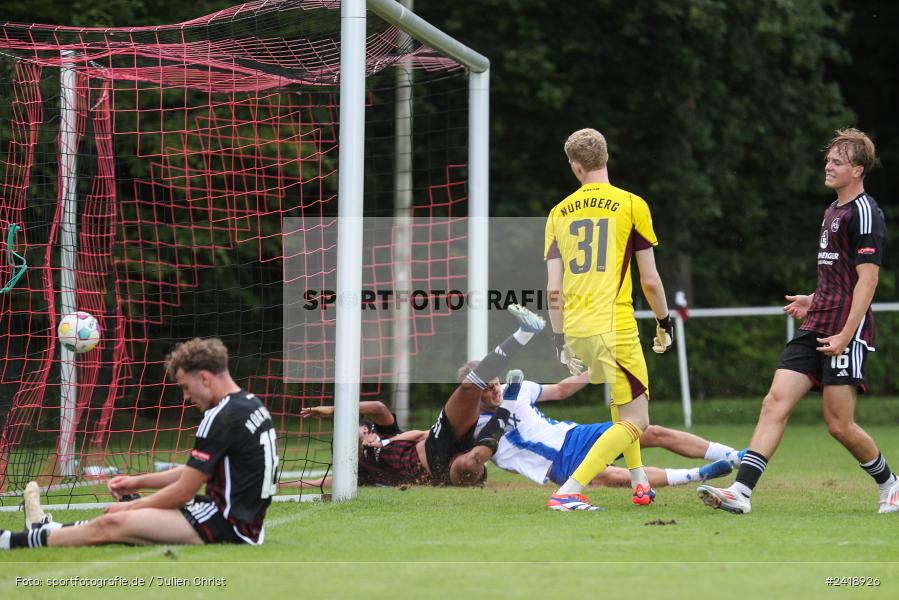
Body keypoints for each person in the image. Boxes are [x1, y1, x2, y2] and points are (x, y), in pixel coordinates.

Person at [698, 128, 899, 515]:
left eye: (837, 162)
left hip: (844, 329)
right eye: (828, 159)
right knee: (775, 402)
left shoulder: (865, 212)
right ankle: (741, 492)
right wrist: (815, 298)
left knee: (839, 425)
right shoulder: (832, 211)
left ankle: (890, 483)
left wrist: (846, 333)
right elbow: (838, 272)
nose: (828, 165)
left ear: (857, 170)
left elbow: (868, 279)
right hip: (817, 322)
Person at [1, 337, 279, 550]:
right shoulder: (251, 404)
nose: (185, 397)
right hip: (241, 522)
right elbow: (195, 471)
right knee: (123, 521)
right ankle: (45, 528)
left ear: (204, 378)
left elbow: (183, 491)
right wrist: (135, 483)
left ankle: (11, 541)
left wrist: (130, 507)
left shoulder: (220, 416)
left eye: (185, 387)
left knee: (115, 522)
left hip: (222, 523)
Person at [543, 128, 674, 510]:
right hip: (614, 326)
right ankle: (569, 489)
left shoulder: (556, 214)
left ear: (575, 166)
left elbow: (554, 290)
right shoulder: (632, 204)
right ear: (606, 158)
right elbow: (649, 280)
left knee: (621, 407)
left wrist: (559, 338)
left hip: (578, 328)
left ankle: (639, 482)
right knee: (638, 419)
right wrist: (664, 322)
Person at [292, 304, 546, 488]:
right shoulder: (361, 470)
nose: (364, 435)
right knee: (468, 468)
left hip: (438, 446)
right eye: (358, 436)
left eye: (363, 430)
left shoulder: (387, 436)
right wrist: (283, 486)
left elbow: (381, 409)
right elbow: (325, 481)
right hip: (441, 473)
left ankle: (525, 333)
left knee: (469, 388)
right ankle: (508, 404)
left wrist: (334, 409)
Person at [472, 368, 741, 492]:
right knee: (616, 476)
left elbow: (562, 390)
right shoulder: (475, 428)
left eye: (495, 383)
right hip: (558, 464)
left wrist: (594, 370)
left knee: (649, 431)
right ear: (472, 393)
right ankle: (697, 475)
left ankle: (734, 455)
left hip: (575, 434)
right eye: (486, 387)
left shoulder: (515, 390)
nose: (495, 390)